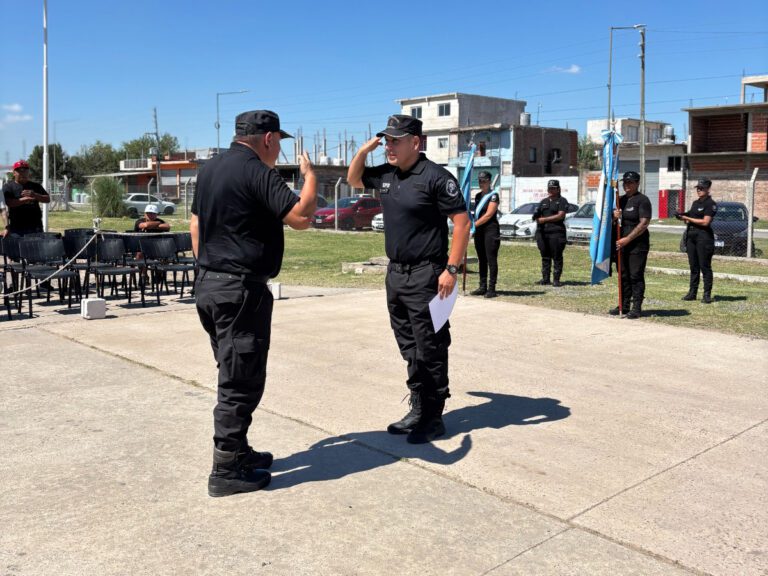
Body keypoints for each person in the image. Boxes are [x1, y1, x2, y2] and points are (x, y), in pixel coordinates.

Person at [190, 110, 317, 497]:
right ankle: (227, 467)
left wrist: (209, 271)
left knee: (232, 369)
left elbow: (195, 225)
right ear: (267, 138)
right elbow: (300, 217)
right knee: (239, 382)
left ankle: (240, 450)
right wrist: (311, 178)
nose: (278, 151)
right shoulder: (256, 170)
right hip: (240, 291)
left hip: (210, 286)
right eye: (278, 142)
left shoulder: (210, 169)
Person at [347, 114, 471, 444]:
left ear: (415, 143)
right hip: (396, 275)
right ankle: (417, 407)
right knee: (409, 347)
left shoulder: (435, 177)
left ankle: (434, 417)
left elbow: (462, 223)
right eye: (386, 140)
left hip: (428, 275)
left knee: (431, 346)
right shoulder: (387, 175)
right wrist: (363, 151)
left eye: (395, 140)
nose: (388, 146)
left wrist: (452, 269)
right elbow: (354, 179)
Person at [610, 171, 652, 319]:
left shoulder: (643, 200)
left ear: (637, 183)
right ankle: (624, 304)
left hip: (637, 245)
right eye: (625, 182)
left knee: (635, 275)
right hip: (621, 244)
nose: (626, 185)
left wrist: (627, 239)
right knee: (623, 274)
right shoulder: (619, 200)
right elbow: (611, 223)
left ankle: (636, 307)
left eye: (630, 182)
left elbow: (644, 223)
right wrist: (614, 218)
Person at [677, 178, 717, 304]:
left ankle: (706, 295)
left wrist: (687, 217)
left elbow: (705, 222)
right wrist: (681, 216)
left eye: (702, 188)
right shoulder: (695, 203)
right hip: (691, 236)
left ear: (708, 188)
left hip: (703, 237)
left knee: (704, 266)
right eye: (698, 188)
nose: (699, 190)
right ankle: (692, 293)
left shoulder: (710, 204)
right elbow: (689, 216)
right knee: (693, 266)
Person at [533, 179, 569, 287]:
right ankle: (545, 279)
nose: (551, 190)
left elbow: (560, 215)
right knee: (545, 256)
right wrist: (535, 216)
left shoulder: (562, 201)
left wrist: (544, 220)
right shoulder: (543, 201)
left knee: (557, 256)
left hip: (556, 233)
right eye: (549, 188)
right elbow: (537, 213)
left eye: (553, 188)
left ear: (558, 189)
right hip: (543, 233)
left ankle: (556, 280)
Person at [471, 171, 500, 298]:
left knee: (491, 259)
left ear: (489, 181)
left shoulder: (494, 196)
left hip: (490, 230)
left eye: (483, 180)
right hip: (479, 232)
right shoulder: (477, 196)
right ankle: (482, 286)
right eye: (479, 181)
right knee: (481, 259)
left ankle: (492, 288)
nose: (481, 183)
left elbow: (488, 215)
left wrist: (473, 225)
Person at [2, 160, 50, 236]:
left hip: (36, 227)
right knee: (18, 247)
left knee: (37, 247)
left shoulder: (35, 186)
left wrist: (35, 195)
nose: (23, 173)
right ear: (14, 173)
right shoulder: (8, 187)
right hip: (17, 228)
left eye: (25, 171)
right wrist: (25, 199)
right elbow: (8, 203)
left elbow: (47, 199)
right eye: (20, 171)